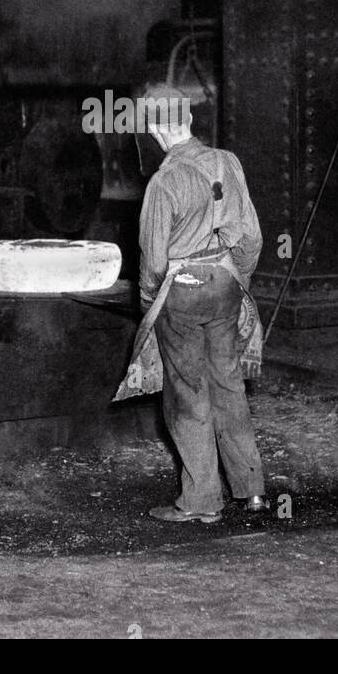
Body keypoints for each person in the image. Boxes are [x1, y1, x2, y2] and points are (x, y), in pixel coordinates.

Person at [136, 84, 267, 524]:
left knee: (188, 394)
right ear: (188, 120)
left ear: (155, 130)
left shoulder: (163, 182)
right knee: (229, 386)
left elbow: (153, 262)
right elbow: (250, 237)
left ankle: (202, 501)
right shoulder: (227, 162)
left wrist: (149, 306)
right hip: (226, 284)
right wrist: (236, 277)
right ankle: (251, 490)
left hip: (183, 292)